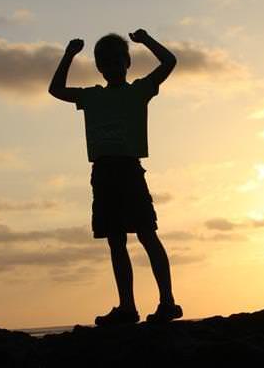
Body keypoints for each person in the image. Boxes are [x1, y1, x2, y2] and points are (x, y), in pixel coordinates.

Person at [48, 29, 182, 326]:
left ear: (127, 62)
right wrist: (69, 55)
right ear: (98, 67)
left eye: (116, 60)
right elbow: (56, 90)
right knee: (116, 241)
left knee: (147, 234)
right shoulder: (92, 96)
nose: (111, 66)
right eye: (104, 62)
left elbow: (169, 61)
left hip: (130, 170)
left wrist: (146, 40)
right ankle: (127, 307)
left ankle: (168, 302)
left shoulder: (138, 91)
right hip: (104, 173)